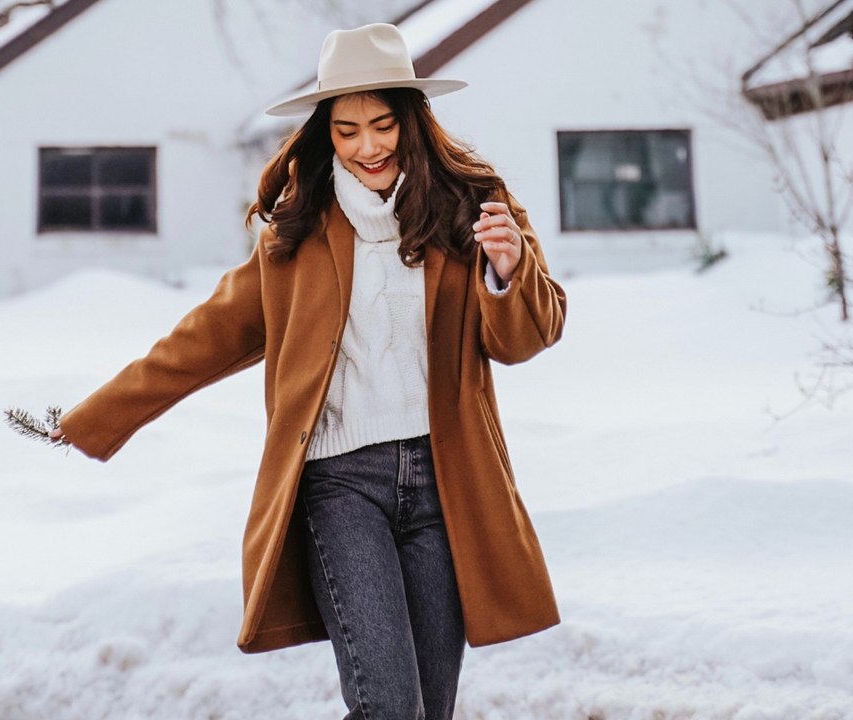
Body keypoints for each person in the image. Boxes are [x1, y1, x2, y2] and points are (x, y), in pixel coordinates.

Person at [51, 22, 566, 720]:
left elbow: (529, 336)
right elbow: (203, 340)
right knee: (389, 706)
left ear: (411, 121)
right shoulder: (295, 235)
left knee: (430, 710)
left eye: (382, 125)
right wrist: (94, 419)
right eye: (347, 130)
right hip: (340, 487)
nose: (368, 147)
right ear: (327, 134)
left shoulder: (473, 206)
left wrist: (508, 270)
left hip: (446, 483)